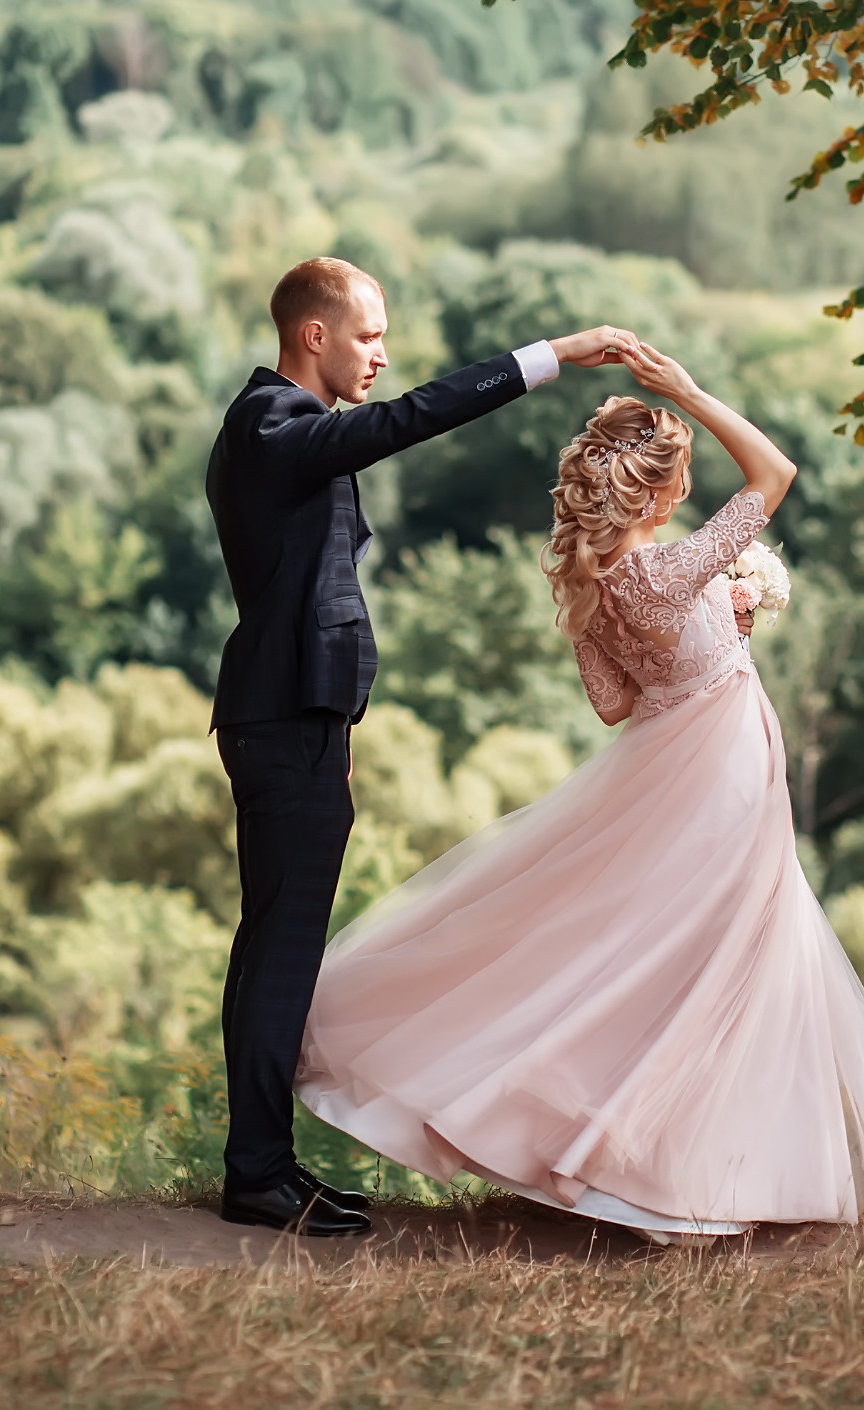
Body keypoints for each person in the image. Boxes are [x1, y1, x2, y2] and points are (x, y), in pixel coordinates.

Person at [298, 342, 864, 1243]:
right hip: (721, 766)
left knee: (660, 958)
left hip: (672, 765)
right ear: (656, 490)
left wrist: (715, 622)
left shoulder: (595, 583)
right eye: (679, 477)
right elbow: (775, 472)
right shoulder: (670, 568)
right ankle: (683, 1173)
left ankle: (665, 1162)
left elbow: (616, 704)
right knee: (722, 960)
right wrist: (689, 392)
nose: (686, 493)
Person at [207, 255, 641, 1237]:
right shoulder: (272, 424)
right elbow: (405, 420)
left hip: (301, 721)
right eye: (368, 337)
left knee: (278, 945)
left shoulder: (285, 431)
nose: (381, 356)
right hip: (282, 720)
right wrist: (551, 357)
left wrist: (336, 726)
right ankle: (257, 1175)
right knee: (278, 951)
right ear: (312, 336)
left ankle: (264, 1164)